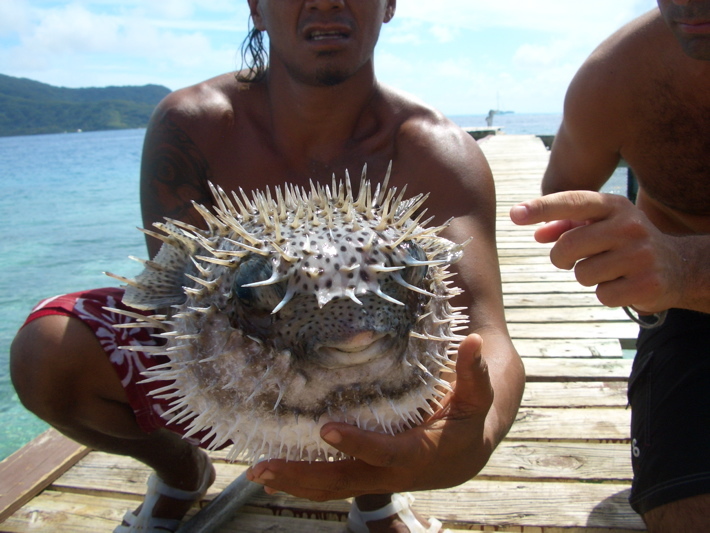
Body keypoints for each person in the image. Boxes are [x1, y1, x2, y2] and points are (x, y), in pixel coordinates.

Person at [10, 1, 524, 531]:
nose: (326, 0)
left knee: (435, 350)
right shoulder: (193, 125)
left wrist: (477, 433)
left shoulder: (435, 152)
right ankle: (182, 471)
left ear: (389, 3)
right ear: (256, 7)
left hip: (394, 373)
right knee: (46, 351)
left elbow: (486, 331)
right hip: (228, 376)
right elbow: (169, 293)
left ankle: (377, 490)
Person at [510, 3, 710, 532]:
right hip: (693, 318)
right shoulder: (614, 79)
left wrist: (686, 266)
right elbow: (562, 193)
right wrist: (600, 240)